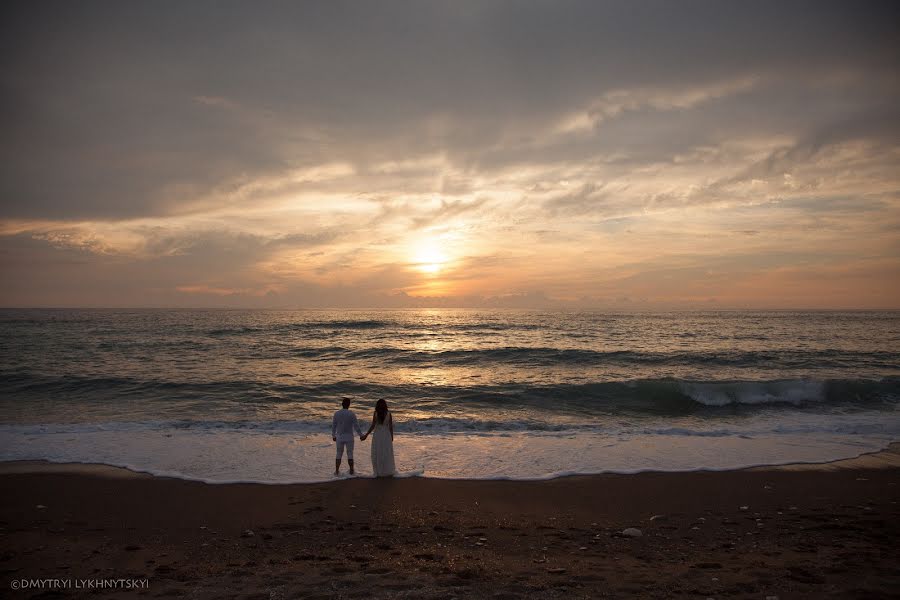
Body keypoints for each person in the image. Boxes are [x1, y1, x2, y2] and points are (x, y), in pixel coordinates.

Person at [361, 398, 396, 477]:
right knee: (386, 453)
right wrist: (391, 437)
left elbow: (373, 425)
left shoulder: (375, 413)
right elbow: (390, 427)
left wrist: (366, 434)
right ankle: (387, 471)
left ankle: (379, 471)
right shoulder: (389, 414)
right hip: (386, 435)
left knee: (377, 452)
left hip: (378, 435)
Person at [332, 397, 364, 476]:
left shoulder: (337, 413)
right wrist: (361, 435)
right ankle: (351, 471)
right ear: (349, 405)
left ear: (342, 404)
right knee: (350, 454)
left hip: (339, 436)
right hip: (349, 436)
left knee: (339, 453)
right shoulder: (351, 414)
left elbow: (334, 426)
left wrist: (333, 435)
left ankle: (336, 471)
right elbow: (356, 426)